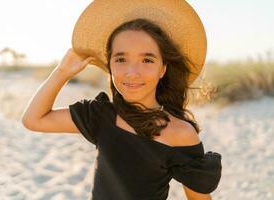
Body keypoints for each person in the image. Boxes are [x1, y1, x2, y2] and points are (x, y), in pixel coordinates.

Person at [22, 1, 222, 200]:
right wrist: (62, 72)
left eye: (147, 60)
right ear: (109, 65)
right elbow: (33, 119)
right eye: (120, 59)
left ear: (163, 68)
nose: (132, 73)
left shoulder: (180, 133)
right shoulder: (100, 116)